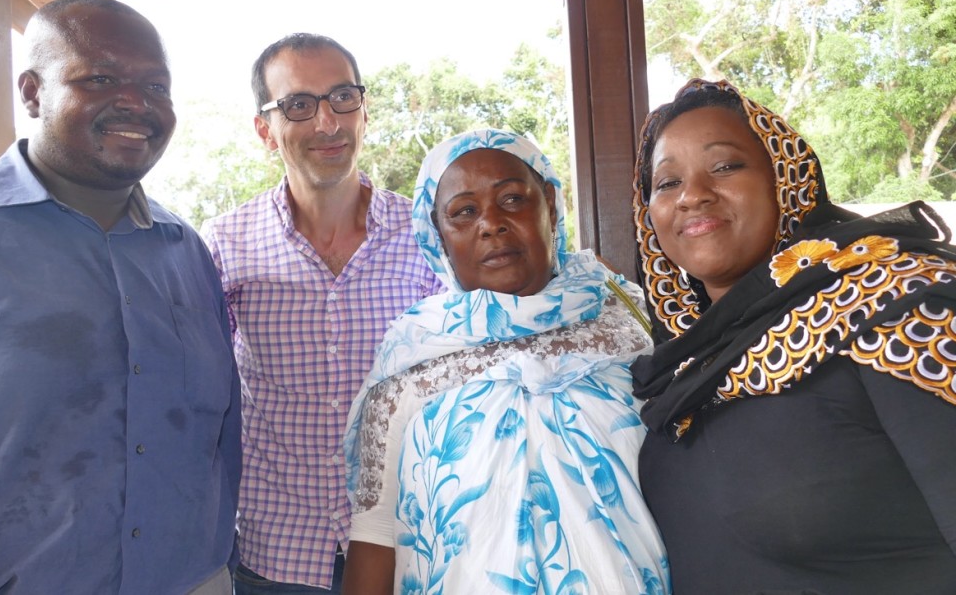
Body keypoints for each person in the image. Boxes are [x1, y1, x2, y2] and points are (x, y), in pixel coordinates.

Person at [0, 0, 241, 594]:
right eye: (100, 78)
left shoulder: (185, 250)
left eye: (156, 86)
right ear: (32, 93)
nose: (136, 102)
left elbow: (219, 438)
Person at [631, 78, 956, 594]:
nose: (693, 195)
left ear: (785, 181)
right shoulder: (681, 370)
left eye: (725, 166)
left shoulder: (888, 303)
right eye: (667, 182)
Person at [342, 128, 670, 595]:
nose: (491, 224)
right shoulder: (409, 363)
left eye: (512, 199)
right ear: (437, 235)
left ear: (549, 205)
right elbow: (375, 537)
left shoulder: (629, 321)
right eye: (464, 211)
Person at [201, 33, 441, 594]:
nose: (327, 122)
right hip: (276, 556)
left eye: (342, 98)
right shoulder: (226, 243)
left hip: (411, 547)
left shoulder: (427, 235)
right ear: (265, 130)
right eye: (298, 105)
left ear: (364, 111)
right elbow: (197, 395)